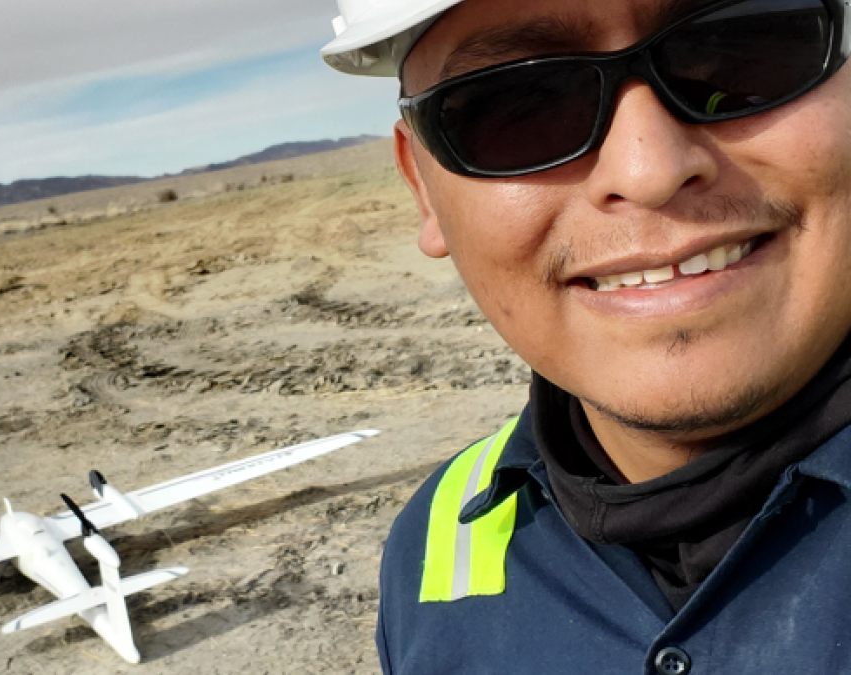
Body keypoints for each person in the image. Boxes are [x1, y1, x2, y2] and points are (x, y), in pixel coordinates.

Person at [322, 0, 851, 672]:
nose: (648, 171)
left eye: (739, 56)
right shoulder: (434, 542)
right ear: (424, 189)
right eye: (521, 105)